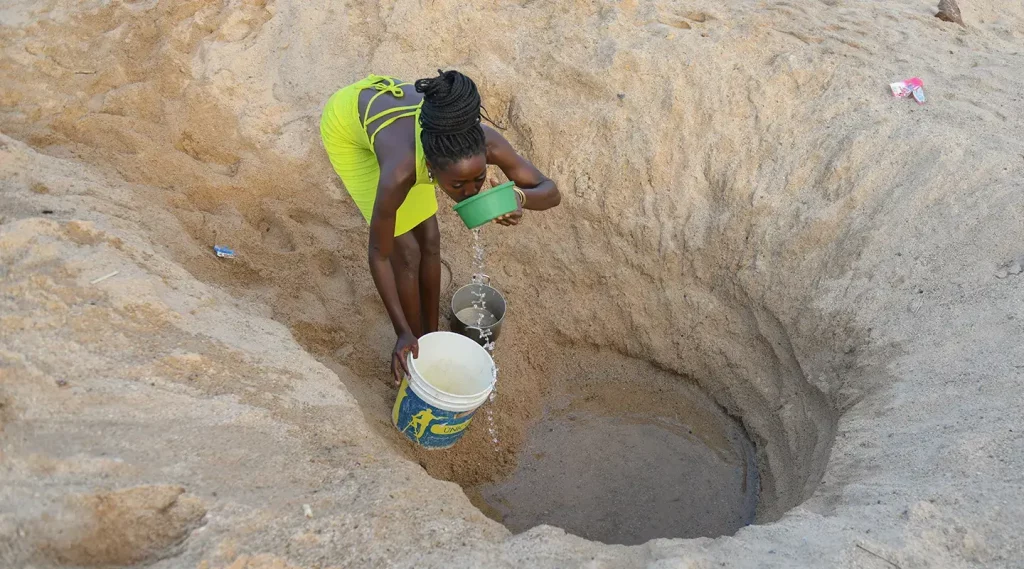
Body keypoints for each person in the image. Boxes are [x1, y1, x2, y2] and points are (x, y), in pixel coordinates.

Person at [320, 70, 561, 386]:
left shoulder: (479, 141)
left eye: (477, 179)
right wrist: (402, 331)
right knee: (406, 252)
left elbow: (550, 191)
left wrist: (518, 197)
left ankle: (430, 334)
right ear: (430, 169)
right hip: (348, 126)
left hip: (405, 125)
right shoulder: (400, 170)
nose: (471, 192)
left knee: (430, 238)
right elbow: (379, 255)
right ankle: (416, 340)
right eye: (458, 185)